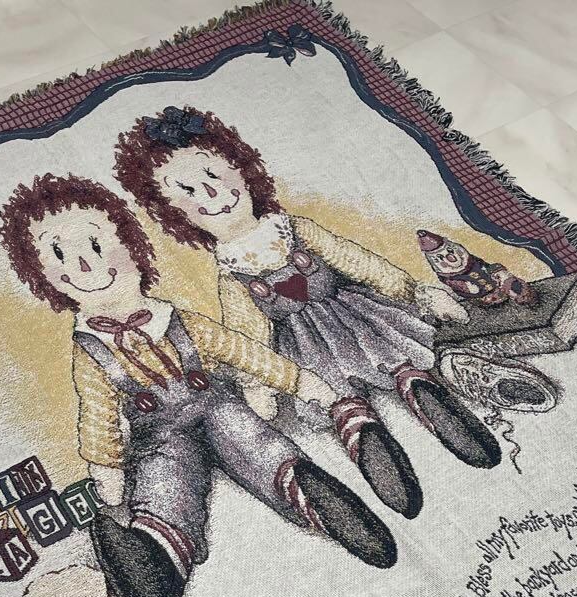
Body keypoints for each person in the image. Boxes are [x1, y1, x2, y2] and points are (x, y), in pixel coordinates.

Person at [0, 174, 397, 597]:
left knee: (251, 438)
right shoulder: (89, 351)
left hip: (215, 403)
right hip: (159, 432)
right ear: (47, 280)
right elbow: (98, 411)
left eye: (95, 243)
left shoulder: (176, 318)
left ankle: (314, 495)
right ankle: (158, 556)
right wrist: (105, 465)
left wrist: (298, 381)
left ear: (130, 247)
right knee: (163, 477)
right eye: (59, 256)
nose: (86, 264)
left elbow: (240, 351)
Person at [115, 106, 502, 522]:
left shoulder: (294, 229)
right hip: (300, 344)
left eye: (213, 174)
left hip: (355, 314)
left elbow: (355, 261)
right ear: (176, 215)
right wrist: (257, 383)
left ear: (242, 170)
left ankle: (426, 395)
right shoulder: (230, 272)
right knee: (332, 392)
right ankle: (362, 433)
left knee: (393, 356)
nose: (209, 192)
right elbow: (248, 331)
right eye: (187, 191)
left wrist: (414, 291)